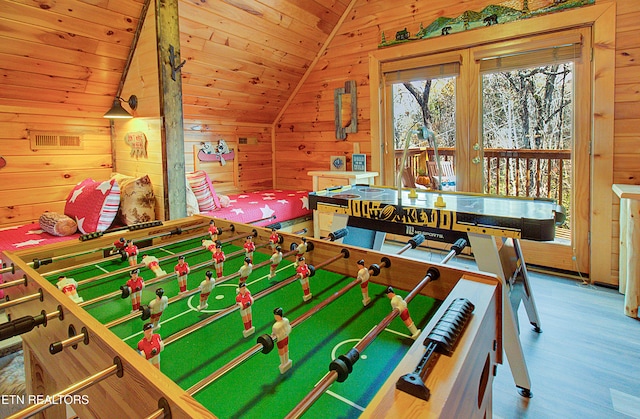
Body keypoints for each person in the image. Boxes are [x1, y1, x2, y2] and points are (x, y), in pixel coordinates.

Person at [272, 307, 292, 374]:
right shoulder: (286, 320)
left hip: (280, 340)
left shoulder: (275, 326)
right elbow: (289, 328)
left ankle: (284, 363)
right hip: (286, 337)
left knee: (282, 351)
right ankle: (286, 361)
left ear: (277, 316)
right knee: (286, 349)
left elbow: (273, 334)